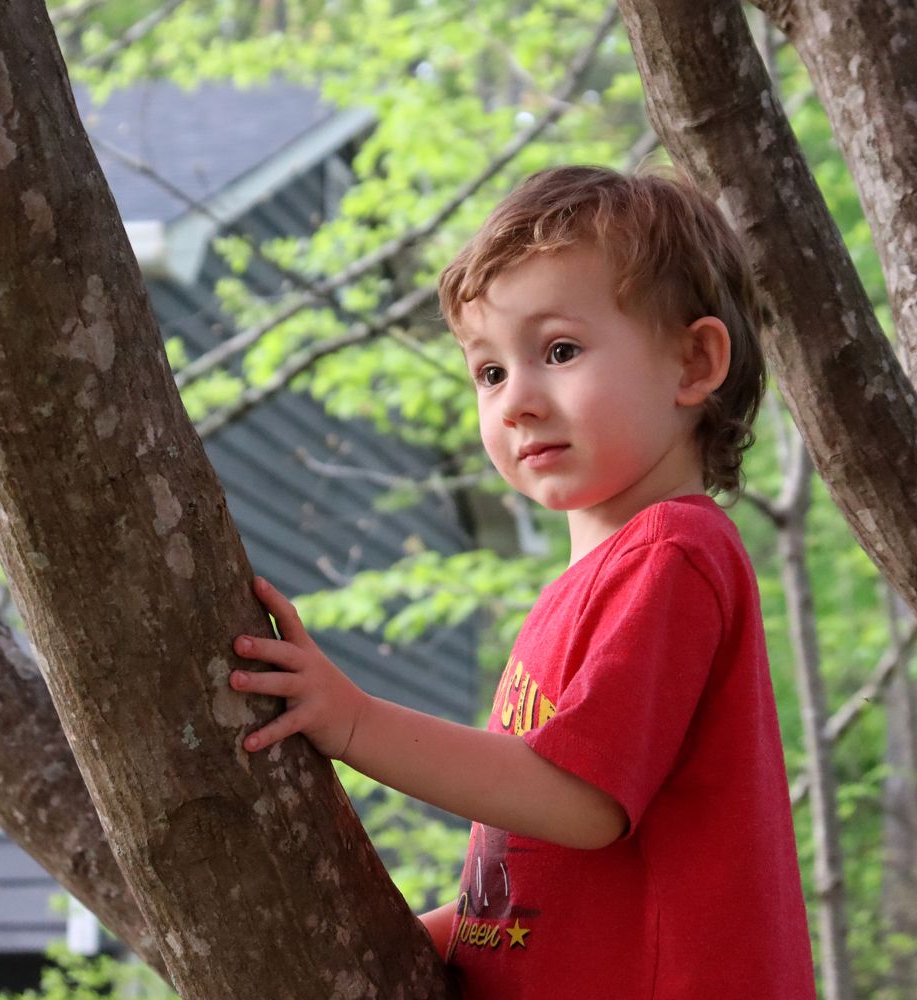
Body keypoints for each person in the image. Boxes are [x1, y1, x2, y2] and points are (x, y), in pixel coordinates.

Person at [228, 165, 817, 998]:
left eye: (560, 351)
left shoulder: (674, 552)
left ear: (693, 361)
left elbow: (581, 803)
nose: (516, 402)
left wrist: (353, 722)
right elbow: (544, 882)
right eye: (490, 372)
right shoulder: (585, 585)